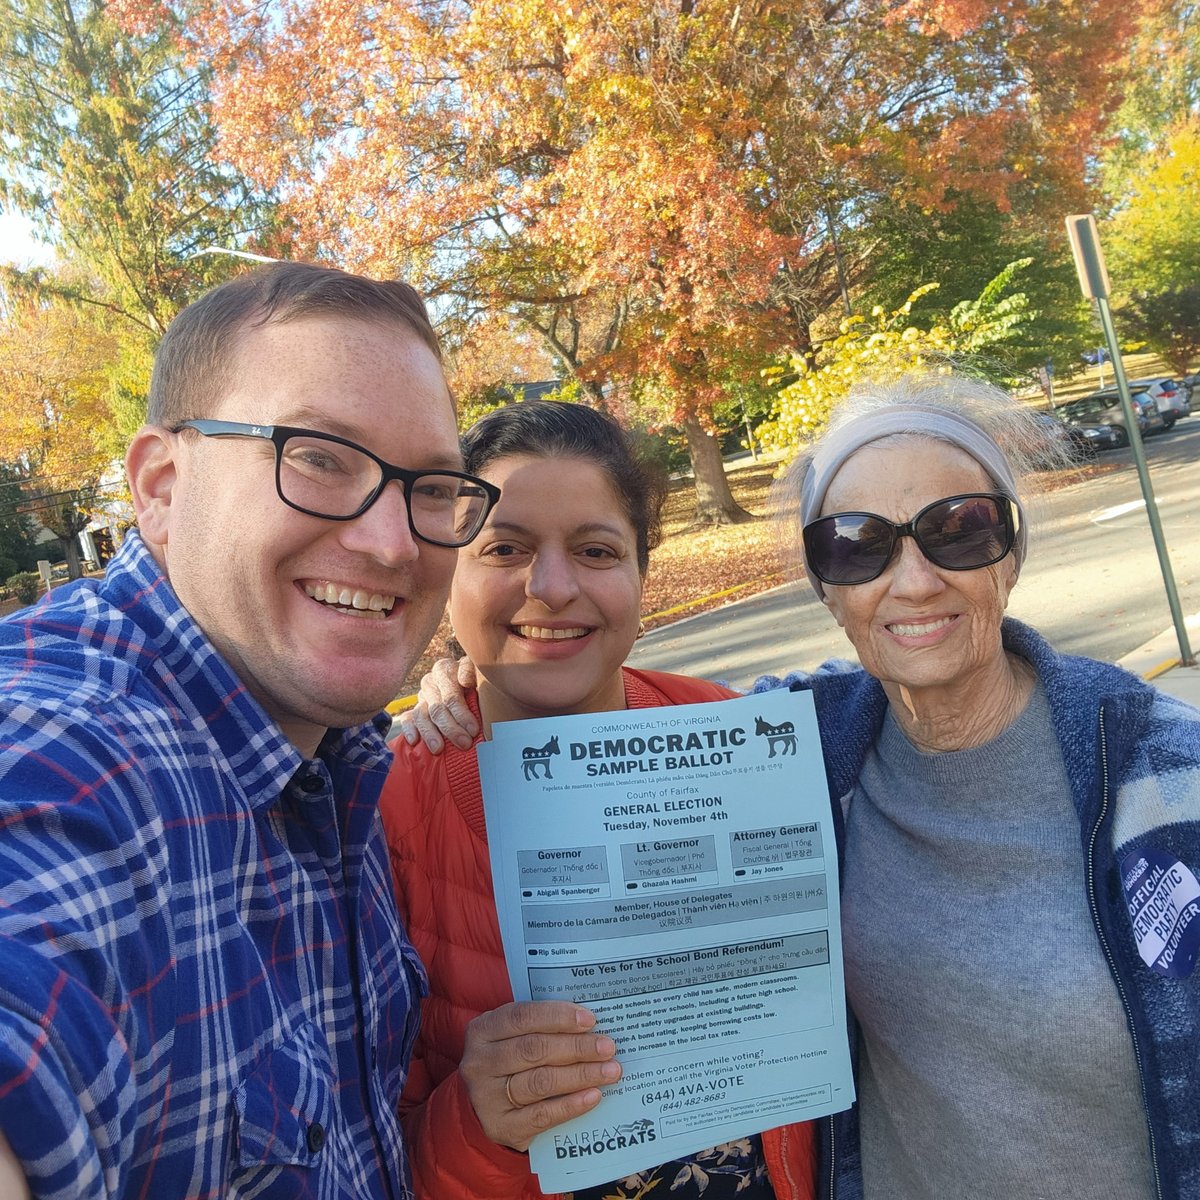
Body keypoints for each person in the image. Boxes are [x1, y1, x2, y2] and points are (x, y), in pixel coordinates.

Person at [401, 374, 1200, 1200]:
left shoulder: (1164, 776)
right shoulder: (791, 743)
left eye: (960, 530)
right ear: (825, 583)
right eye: (857, 543)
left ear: (1014, 549)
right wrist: (457, 680)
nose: (914, 579)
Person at [0, 262, 501, 1199]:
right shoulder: (83, 752)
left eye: (430, 485)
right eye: (317, 456)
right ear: (159, 486)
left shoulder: (335, 763)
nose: (394, 543)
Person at [379, 400, 817, 1200]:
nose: (550, 587)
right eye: (504, 548)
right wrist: (478, 1123)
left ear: (641, 577)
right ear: (447, 577)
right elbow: (367, 1158)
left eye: (595, 549)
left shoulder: (741, 735)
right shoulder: (381, 808)